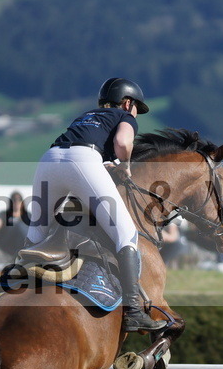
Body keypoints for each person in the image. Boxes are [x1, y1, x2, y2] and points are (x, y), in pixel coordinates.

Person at [23, 77, 165, 333]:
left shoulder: (86, 116)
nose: (136, 115)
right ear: (127, 102)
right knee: (127, 234)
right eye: (136, 109)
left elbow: (80, 150)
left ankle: (17, 288)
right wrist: (127, 166)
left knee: (37, 233)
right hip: (83, 160)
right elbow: (122, 143)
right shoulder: (125, 116)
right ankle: (133, 311)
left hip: (49, 159)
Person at [0, 190, 30, 262]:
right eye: (14, 200)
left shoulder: (28, 216)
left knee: (21, 227)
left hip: (24, 246)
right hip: (7, 246)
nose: (17, 202)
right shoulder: (4, 215)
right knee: (18, 227)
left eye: (19, 200)